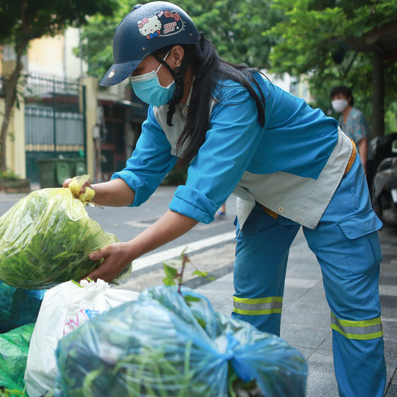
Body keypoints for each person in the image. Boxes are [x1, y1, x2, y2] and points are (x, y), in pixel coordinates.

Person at [63, 2, 385, 396]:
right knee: (252, 307)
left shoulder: (235, 95)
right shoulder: (163, 109)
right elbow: (135, 182)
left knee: (354, 315)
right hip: (262, 194)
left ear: (176, 56)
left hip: (325, 178)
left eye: (139, 70)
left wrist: (130, 250)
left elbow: (197, 199)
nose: (135, 83)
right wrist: (85, 193)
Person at [330, 86, 370, 173]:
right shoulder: (341, 118)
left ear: (348, 99)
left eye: (339, 98)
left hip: (360, 163)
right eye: (334, 99)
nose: (336, 101)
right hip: (349, 164)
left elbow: (363, 142)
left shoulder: (356, 116)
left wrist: (363, 167)